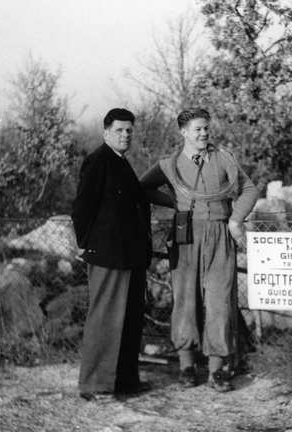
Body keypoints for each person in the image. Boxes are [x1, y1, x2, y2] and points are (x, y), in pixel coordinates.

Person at [140, 108, 258, 392]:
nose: (204, 133)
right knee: (185, 299)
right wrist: (174, 203)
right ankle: (187, 367)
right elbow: (143, 188)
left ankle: (217, 370)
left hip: (220, 234)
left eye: (206, 128)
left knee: (220, 300)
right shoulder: (169, 165)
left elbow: (250, 189)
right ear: (183, 132)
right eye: (197, 129)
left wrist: (235, 219)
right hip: (186, 234)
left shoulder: (224, 159)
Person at [71, 108, 152, 400]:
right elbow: (82, 207)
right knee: (105, 319)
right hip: (107, 254)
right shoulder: (98, 161)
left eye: (129, 130)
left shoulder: (121, 163)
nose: (125, 135)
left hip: (129, 256)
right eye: (119, 130)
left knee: (129, 319)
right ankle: (95, 384)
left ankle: (124, 381)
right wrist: (84, 244)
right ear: (106, 132)